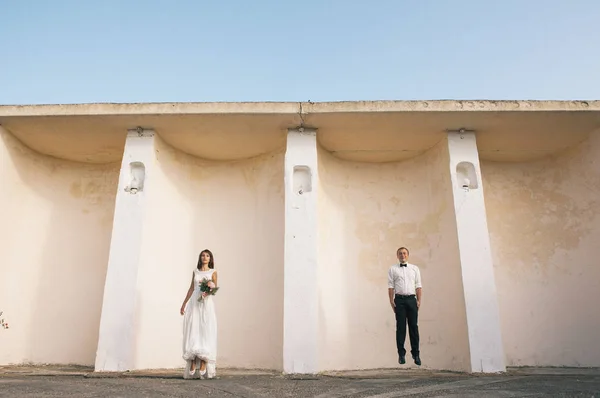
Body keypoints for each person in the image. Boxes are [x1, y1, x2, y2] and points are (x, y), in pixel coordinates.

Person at [180, 249, 218, 379]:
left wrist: (207, 292)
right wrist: (184, 303)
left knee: (205, 330)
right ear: (200, 258)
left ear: (210, 258)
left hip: (205, 304)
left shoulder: (213, 272)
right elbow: (191, 288)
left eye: (207, 256)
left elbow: (214, 288)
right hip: (194, 304)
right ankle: (193, 360)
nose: (205, 257)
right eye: (203, 255)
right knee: (194, 329)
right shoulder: (195, 272)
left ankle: (204, 359)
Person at [387, 247, 422, 366]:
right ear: (397, 256)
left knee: (413, 327)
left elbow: (418, 285)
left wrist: (419, 300)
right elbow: (390, 285)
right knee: (401, 327)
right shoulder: (392, 269)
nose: (402, 255)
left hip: (411, 299)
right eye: (400, 253)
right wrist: (391, 301)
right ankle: (401, 354)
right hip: (400, 300)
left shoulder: (414, 268)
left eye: (404, 253)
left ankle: (416, 354)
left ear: (408, 255)